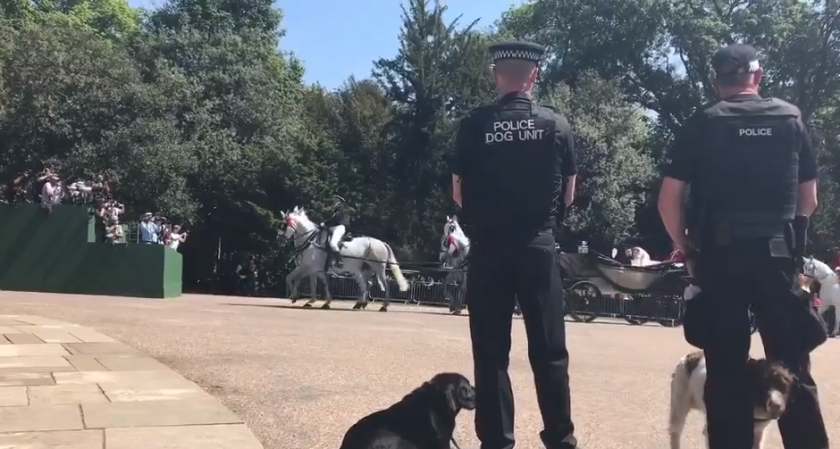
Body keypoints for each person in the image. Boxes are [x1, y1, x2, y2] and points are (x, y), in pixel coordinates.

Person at [658, 43, 828, 449]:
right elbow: (809, 201)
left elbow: (669, 199)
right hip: (777, 256)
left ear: (716, 83)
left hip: (720, 259)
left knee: (724, 370)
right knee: (792, 367)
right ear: (759, 76)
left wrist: (686, 249)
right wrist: (793, 243)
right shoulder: (791, 119)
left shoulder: (703, 123)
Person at [451, 40, 579, 449]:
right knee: (550, 352)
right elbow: (569, 192)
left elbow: (458, 191)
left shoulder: (473, 126)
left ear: (495, 76)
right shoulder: (555, 125)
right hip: (538, 246)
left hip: (489, 250)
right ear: (534, 76)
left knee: (490, 356)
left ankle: (498, 442)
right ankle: (560, 439)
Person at [324, 195, 349, 270]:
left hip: (339, 227)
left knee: (333, 243)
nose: (333, 200)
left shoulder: (340, 209)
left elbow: (336, 220)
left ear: (338, 200)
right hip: (335, 227)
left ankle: (339, 260)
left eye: (335, 199)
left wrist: (325, 224)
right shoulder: (336, 209)